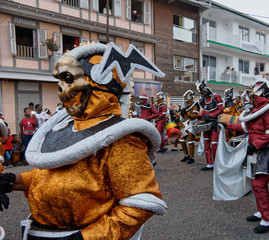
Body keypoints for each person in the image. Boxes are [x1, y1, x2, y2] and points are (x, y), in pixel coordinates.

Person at [0, 43, 167, 239]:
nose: (61, 87)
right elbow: (53, 178)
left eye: (69, 79)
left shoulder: (121, 139)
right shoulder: (64, 127)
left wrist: (86, 237)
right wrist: (12, 182)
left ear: (97, 83)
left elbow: (139, 204)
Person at [219, 79, 269, 233]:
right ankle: (260, 212)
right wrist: (225, 125)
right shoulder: (256, 109)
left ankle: (267, 220)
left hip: (265, 151)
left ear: (259, 94)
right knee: (255, 184)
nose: (250, 97)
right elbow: (244, 127)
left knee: (260, 185)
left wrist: (254, 145)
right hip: (254, 150)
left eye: (252, 95)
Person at [196, 80, 223, 171]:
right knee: (206, 143)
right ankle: (209, 163)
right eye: (201, 92)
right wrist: (200, 115)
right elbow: (204, 110)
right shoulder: (202, 99)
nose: (202, 93)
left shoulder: (216, 97)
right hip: (205, 122)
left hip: (214, 122)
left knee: (214, 144)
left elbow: (220, 109)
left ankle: (217, 163)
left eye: (202, 91)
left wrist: (211, 115)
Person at [176, 90, 200, 164]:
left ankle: (192, 157)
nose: (185, 99)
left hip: (192, 123)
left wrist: (186, 113)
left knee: (190, 140)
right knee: (182, 140)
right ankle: (186, 155)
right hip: (185, 124)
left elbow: (194, 116)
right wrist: (179, 113)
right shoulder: (185, 105)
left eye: (186, 97)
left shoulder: (195, 105)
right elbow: (183, 117)